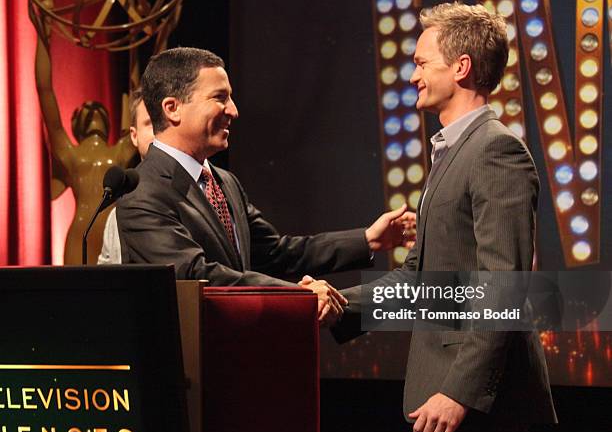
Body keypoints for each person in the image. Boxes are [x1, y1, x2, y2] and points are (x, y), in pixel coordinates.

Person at [319, 2, 556, 432]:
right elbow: (419, 280)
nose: (413, 77)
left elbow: (502, 284)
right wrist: (340, 306)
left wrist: (461, 392)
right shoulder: (453, 152)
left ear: (462, 67)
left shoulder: (495, 149)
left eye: (422, 63)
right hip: (443, 398)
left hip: (475, 404)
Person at [117, 47, 415, 324]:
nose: (233, 110)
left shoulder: (224, 182)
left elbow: (275, 254)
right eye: (220, 97)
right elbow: (196, 275)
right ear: (173, 108)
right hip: (188, 371)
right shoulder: (142, 193)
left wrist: (367, 240)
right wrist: (300, 296)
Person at [30, 0, 138, 265]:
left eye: (98, 108)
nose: (92, 109)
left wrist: (140, 39)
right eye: (85, 110)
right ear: (75, 126)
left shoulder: (122, 151)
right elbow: (45, 92)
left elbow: (140, 92)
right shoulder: (69, 154)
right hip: (79, 234)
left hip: (114, 233)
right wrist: (43, 36)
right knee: (74, 298)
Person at [98, 89, 154, 264]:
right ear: (134, 135)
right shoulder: (116, 216)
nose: (159, 132)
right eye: (151, 123)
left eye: (164, 123)